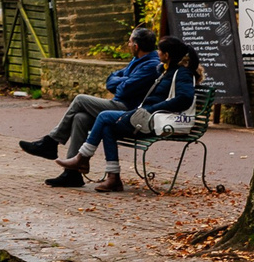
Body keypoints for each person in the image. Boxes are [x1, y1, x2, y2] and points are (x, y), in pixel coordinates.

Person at [52, 37, 204, 193]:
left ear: (167, 55)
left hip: (153, 120)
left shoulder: (182, 73)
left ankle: (82, 158)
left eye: (160, 50)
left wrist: (152, 109)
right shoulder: (168, 70)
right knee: (107, 127)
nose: (157, 52)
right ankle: (113, 179)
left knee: (104, 116)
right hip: (146, 117)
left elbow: (184, 98)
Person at [19, 27, 161, 186]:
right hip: (120, 104)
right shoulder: (138, 60)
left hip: (128, 110)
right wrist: (122, 80)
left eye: (129, 42)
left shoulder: (151, 65)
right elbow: (111, 79)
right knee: (80, 118)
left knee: (80, 99)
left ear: (136, 46)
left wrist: (121, 81)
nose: (127, 45)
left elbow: (124, 89)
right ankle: (72, 175)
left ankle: (51, 142)